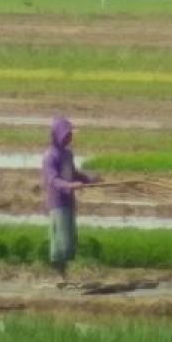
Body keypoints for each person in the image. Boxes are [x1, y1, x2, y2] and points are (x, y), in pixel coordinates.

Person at [41, 116, 99, 279]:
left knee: (69, 237)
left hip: (69, 201)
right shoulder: (50, 157)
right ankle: (59, 273)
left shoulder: (67, 154)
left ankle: (64, 272)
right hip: (57, 202)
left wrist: (89, 179)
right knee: (60, 239)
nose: (69, 137)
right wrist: (70, 185)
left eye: (70, 134)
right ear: (57, 135)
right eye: (66, 134)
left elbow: (73, 173)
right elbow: (52, 180)